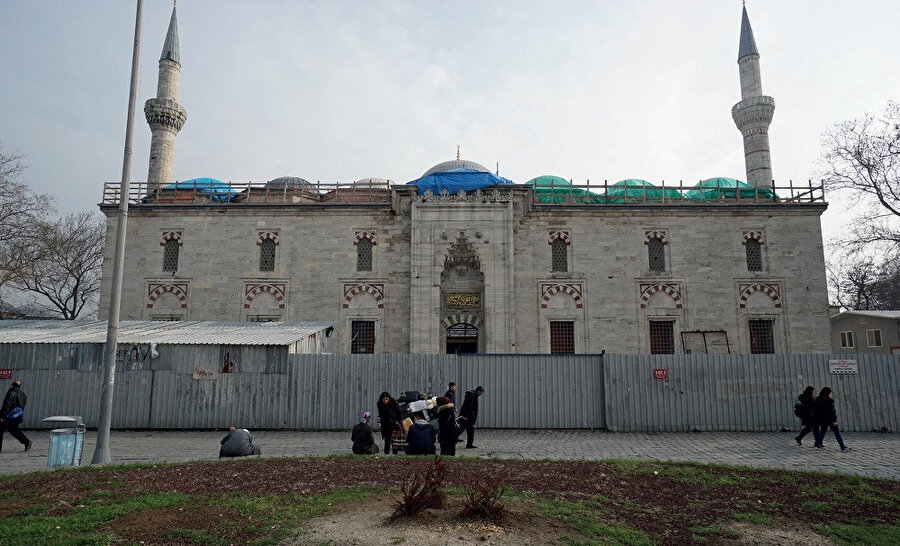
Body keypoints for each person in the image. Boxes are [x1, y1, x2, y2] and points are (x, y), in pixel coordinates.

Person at [814, 387, 850, 451]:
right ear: (829, 393)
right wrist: (835, 420)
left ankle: (818, 444)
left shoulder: (818, 399)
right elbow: (832, 412)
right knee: (837, 433)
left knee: (822, 431)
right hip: (830, 420)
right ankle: (842, 446)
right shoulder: (830, 400)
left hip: (822, 420)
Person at [0, 380, 31, 453]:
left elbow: (7, 405)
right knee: (14, 430)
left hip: (8, 416)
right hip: (17, 416)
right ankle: (27, 442)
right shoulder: (23, 394)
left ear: (12, 385)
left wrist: (3, 416)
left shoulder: (10, 393)